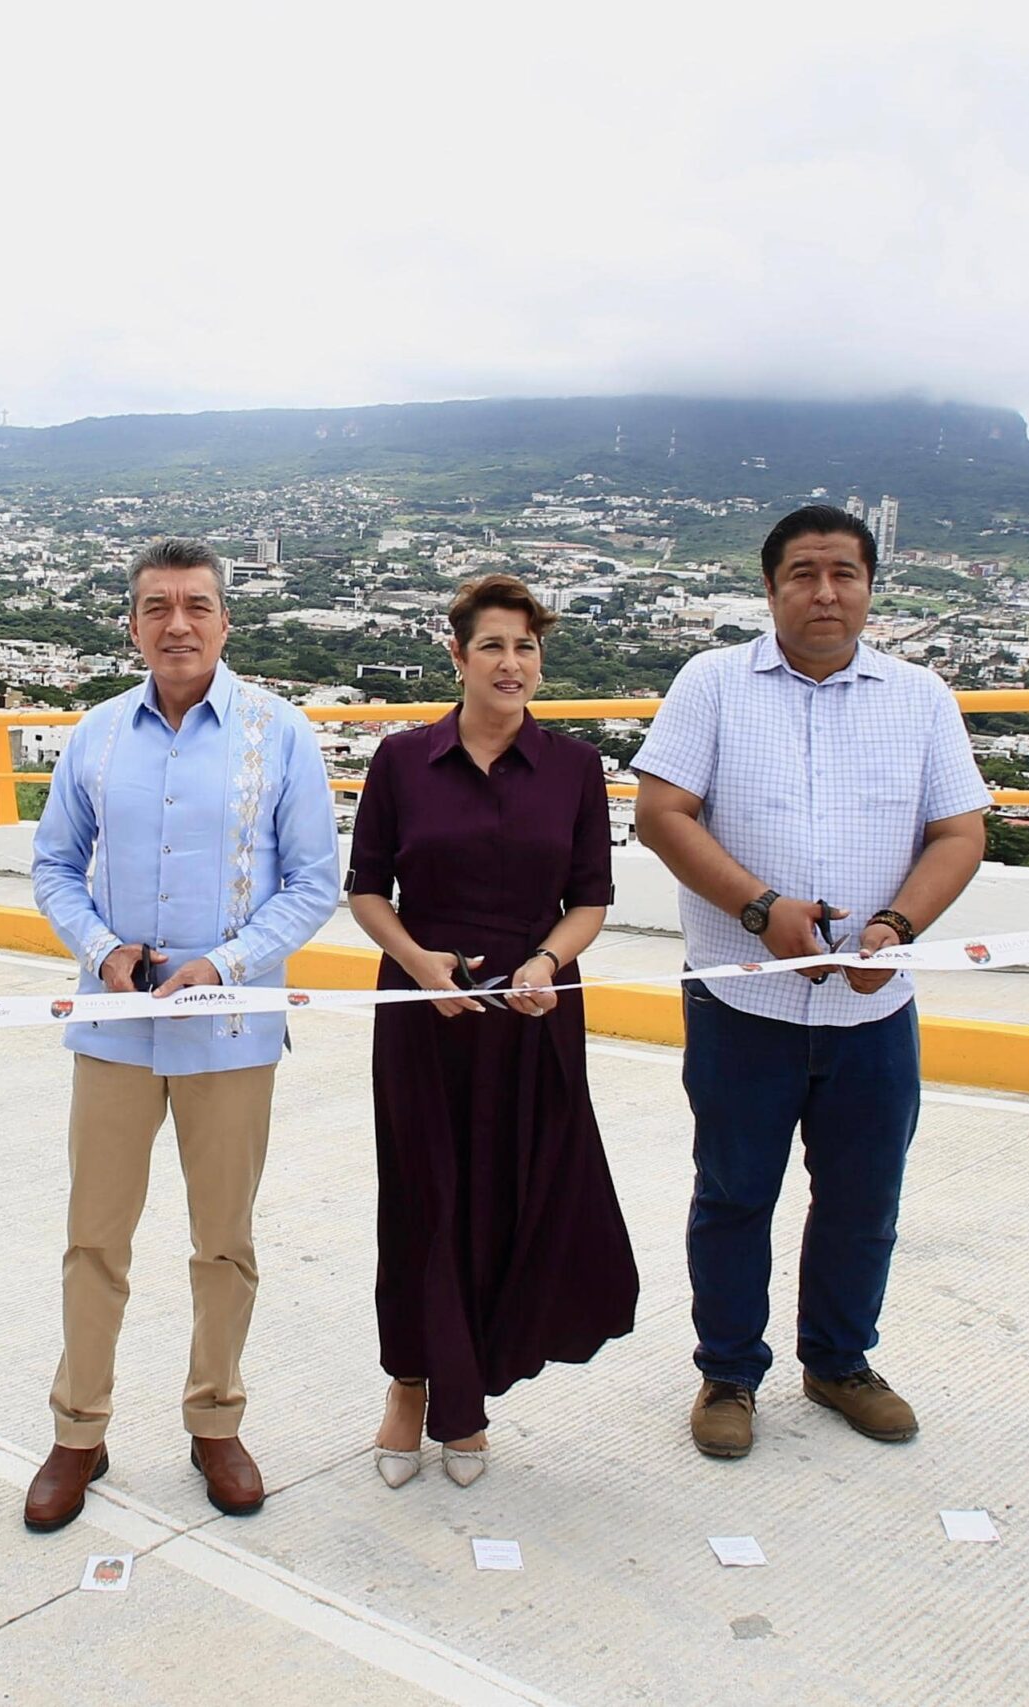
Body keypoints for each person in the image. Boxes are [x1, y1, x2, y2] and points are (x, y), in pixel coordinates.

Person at [632, 505, 988, 1460]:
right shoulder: (712, 683)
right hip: (742, 996)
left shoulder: (920, 698)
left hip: (875, 1008)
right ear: (771, 588)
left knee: (864, 1194)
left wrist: (895, 929)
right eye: (803, 573)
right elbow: (662, 813)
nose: (824, 592)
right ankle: (729, 1373)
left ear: (871, 587)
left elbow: (961, 833)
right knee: (736, 1191)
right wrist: (761, 909)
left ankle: (839, 1362)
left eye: (843, 573)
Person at [22, 537, 339, 1531]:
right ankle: (79, 1431)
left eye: (196, 605)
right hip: (114, 1025)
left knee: (224, 1243)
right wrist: (103, 950)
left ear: (224, 620)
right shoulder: (96, 736)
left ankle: (215, 1420)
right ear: (132, 623)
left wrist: (225, 964)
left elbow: (312, 883)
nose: (177, 624)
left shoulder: (278, 734)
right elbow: (54, 867)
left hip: (230, 1028)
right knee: (93, 1240)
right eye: (156, 606)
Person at [347, 574, 638, 1489]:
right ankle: (411, 1384)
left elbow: (590, 898)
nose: (512, 664)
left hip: (534, 1015)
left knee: (515, 1201)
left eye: (526, 647)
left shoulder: (577, 768)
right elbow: (366, 891)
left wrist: (548, 962)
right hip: (422, 1014)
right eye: (493, 647)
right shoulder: (400, 761)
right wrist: (419, 962)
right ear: (457, 655)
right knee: (423, 1199)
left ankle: (468, 1398)